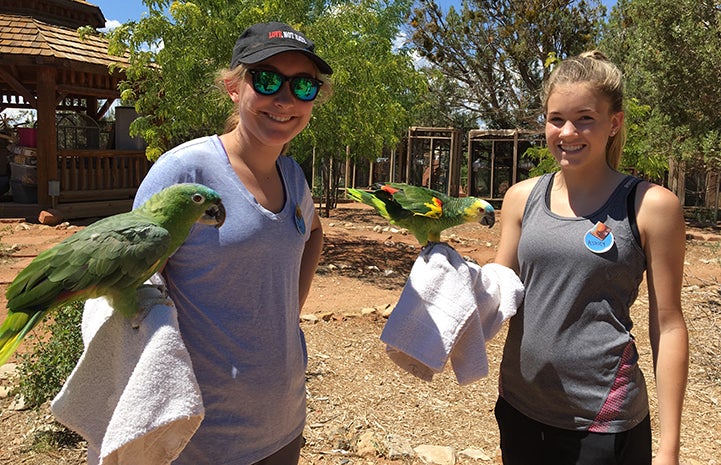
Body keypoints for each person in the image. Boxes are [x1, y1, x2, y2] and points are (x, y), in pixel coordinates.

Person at [132, 21, 332, 464]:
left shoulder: (293, 177)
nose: (284, 99)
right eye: (266, 80)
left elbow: (314, 231)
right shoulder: (184, 173)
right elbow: (132, 285)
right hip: (200, 437)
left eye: (303, 86)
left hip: (283, 422)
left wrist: (286, 316)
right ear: (233, 88)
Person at [493, 51, 688, 465]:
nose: (567, 132)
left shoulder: (651, 206)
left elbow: (668, 325)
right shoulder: (521, 198)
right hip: (520, 408)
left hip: (603, 423)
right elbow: (496, 292)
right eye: (556, 118)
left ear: (613, 123)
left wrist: (669, 449)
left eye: (585, 118)